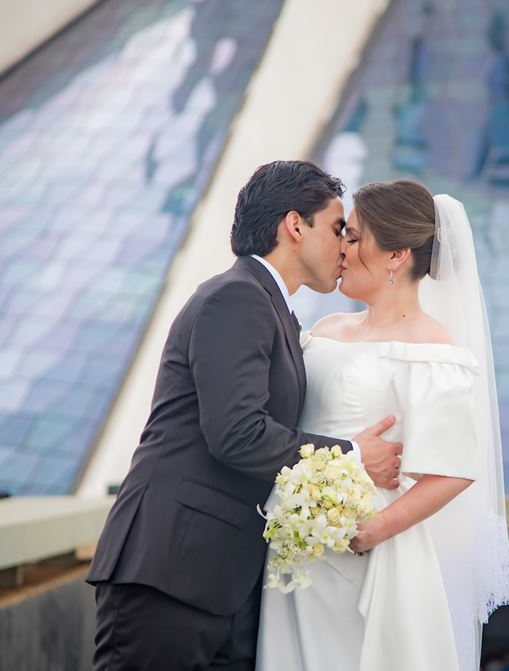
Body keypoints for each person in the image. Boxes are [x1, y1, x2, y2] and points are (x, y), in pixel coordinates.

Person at [87, 161, 402, 671]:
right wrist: (351, 455)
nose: (345, 246)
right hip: (169, 572)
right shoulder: (236, 297)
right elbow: (236, 434)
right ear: (295, 225)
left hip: (219, 583)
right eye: (337, 228)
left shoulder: (268, 304)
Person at [256, 179, 509, 671]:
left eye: (353, 237)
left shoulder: (432, 348)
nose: (342, 249)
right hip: (296, 548)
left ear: (396, 255)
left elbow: (455, 470)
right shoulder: (326, 329)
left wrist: (372, 532)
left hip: (371, 553)